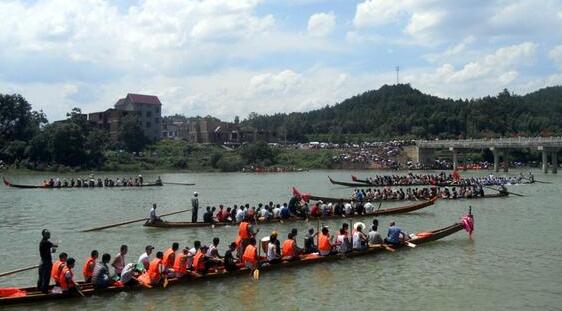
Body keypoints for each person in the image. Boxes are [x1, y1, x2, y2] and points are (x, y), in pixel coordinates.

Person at [38, 229, 58, 294]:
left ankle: (39, 289)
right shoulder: (45, 242)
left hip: (42, 262)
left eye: (49, 233)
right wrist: (56, 244)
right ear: (43, 235)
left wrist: (52, 250)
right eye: (47, 234)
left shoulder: (42, 242)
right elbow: (55, 245)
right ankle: (45, 292)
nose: (49, 234)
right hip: (46, 263)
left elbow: (50, 250)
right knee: (46, 278)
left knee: (41, 278)